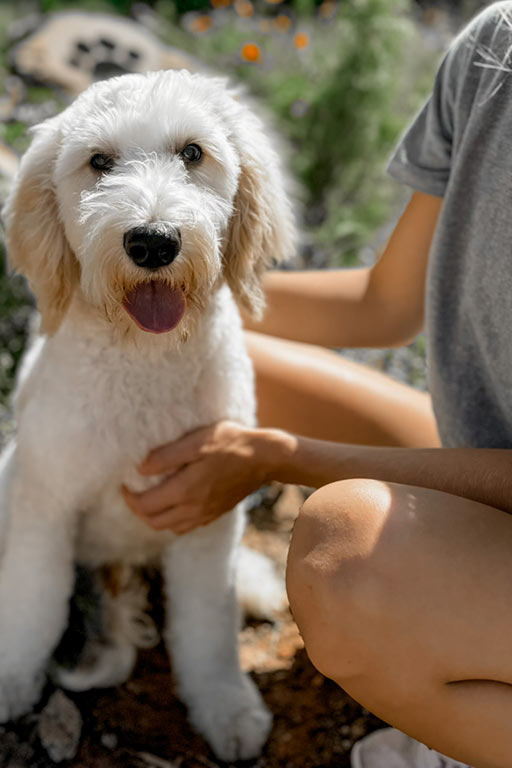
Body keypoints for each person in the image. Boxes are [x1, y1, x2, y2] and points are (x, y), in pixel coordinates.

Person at [121, 3, 512, 767]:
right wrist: (156, 295)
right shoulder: (496, 47)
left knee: (348, 556)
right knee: (196, 355)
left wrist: (278, 458)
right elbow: (386, 302)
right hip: (487, 465)